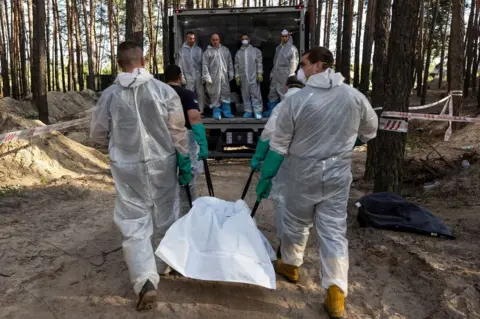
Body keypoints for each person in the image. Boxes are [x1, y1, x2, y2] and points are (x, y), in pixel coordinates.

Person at [255, 47, 378, 319]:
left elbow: (279, 144)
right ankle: (336, 292)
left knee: (296, 222)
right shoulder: (354, 97)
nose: (301, 69)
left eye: (304, 64)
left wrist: (266, 176)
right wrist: (347, 143)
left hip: (302, 173)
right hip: (337, 174)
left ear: (319, 65)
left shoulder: (296, 101)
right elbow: (370, 130)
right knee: (333, 230)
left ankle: (291, 264)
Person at [90, 41, 192, 311]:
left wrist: (116, 144)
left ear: (119, 63)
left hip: (127, 166)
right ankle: (165, 263)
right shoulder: (163, 91)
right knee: (166, 213)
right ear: (144, 60)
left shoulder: (110, 95)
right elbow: (178, 131)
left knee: (134, 221)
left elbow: (97, 133)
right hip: (163, 164)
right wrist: (183, 158)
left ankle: (146, 281)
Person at [250, 76, 304, 248]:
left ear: (286, 88)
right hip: (307, 161)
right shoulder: (311, 105)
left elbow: (269, 133)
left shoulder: (283, 106)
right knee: (300, 200)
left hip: (283, 158)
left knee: (281, 198)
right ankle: (297, 244)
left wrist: (259, 156)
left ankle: (284, 244)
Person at [165, 64, 208, 217]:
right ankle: (187, 215)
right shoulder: (187, 94)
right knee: (187, 177)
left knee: (167, 179)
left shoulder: (159, 93)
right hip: (185, 137)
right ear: (180, 77)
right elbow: (194, 117)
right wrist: (202, 142)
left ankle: (169, 216)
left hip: (163, 139)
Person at [265, 30, 299, 118]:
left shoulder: (292, 49)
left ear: (288, 37)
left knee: (284, 93)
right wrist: (273, 72)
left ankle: (284, 114)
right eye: (282, 36)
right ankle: (271, 111)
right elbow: (275, 62)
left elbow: (293, 63)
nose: (284, 38)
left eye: (285, 36)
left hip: (285, 75)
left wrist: (290, 76)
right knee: (272, 92)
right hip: (276, 73)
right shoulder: (278, 48)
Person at [202, 33, 235, 119]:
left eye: (217, 40)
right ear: (211, 41)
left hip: (224, 76)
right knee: (214, 94)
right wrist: (207, 77)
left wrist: (231, 72)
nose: (215, 41)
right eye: (213, 40)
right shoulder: (207, 52)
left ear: (219, 40)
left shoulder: (225, 50)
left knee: (225, 93)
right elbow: (205, 65)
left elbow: (229, 62)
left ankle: (227, 112)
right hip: (213, 78)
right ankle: (216, 112)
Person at [234, 33, 264, 119]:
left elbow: (259, 63)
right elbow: (236, 65)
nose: (244, 40)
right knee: (245, 95)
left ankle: (257, 111)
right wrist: (237, 76)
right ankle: (248, 111)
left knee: (255, 94)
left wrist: (259, 73)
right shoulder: (238, 53)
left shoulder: (255, 51)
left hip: (254, 77)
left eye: (246, 38)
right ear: (241, 41)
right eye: (243, 39)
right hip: (243, 78)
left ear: (249, 40)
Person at [178, 31, 206, 114]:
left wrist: (204, 75)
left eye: (193, 38)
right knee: (189, 94)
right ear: (186, 38)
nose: (192, 40)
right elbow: (180, 64)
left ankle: (200, 111)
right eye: (190, 38)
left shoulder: (198, 49)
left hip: (198, 75)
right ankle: (189, 111)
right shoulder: (182, 50)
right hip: (188, 76)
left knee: (200, 94)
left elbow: (203, 63)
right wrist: (182, 76)